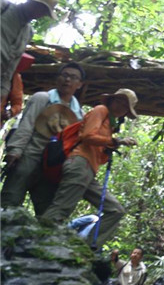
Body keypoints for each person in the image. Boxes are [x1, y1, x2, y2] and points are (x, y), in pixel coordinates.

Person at [40, 88, 138, 248]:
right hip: (80, 163)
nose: (121, 107)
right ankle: (36, 241)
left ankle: (86, 248)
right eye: (119, 101)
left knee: (116, 210)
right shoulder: (101, 110)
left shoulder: (111, 124)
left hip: (89, 171)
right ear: (112, 100)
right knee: (62, 207)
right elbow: (87, 135)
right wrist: (115, 141)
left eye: (126, 106)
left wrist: (109, 145)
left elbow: (99, 152)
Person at [1, 62, 86, 213]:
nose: (67, 80)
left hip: (52, 165)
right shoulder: (42, 98)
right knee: (9, 201)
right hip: (29, 155)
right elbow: (26, 124)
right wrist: (15, 150)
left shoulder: (79, 113)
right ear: (57, 78)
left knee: (46, 210)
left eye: (73, 77)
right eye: (64, 75)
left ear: (79, 84)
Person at [1, 0, 57, 103]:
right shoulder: (3, 7)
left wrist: (3, 91)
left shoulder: (28, 32)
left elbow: (11, 65)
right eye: (41, 7)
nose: (41, 13)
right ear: (30, 1)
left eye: (45, 11)